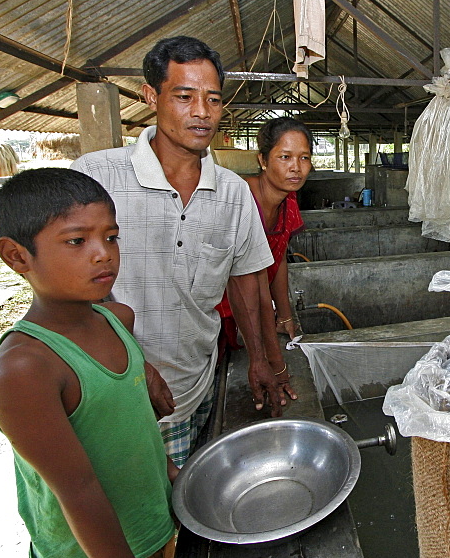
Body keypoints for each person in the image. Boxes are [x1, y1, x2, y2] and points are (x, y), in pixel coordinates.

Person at [72, 35, 283, 468]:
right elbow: (67, 292)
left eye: (213, 99)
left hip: (197, 385)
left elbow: (245, 281)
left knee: (191, 508)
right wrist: (137, 367)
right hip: (115, 394)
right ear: (152, 96)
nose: (202, 112)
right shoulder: (96, 177)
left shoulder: (232, 193)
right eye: (185, 96)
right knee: (136, 519)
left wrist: (258, 360)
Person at [0, 168, 176, 558]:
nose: (103, 253)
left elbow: (130, 430)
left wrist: (172, 473)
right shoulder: (25, 369)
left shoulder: (117, 320)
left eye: (111, 237)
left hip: (152, 526)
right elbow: (78, 489)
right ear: (17, 255)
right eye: (77, 240)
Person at [215, 117, 314, 400]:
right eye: (285, 157)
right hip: (220, 308)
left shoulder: (288, 200)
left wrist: (285, 316)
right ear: (263, 160)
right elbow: (253, 281)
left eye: (304, 158)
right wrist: (276, 363)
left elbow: (278, 257)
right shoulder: (242, 199)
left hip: (250, 309)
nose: (296, 168)